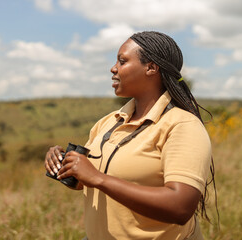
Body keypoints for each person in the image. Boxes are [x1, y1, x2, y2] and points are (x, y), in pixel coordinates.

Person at [45, 31, 215, 240]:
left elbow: (180, 207)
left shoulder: (182, 126)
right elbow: (84, 181)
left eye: (122, 61)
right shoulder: (109, 122)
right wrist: (64, 164)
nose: (113, 68)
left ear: (151, 68)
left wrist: (99, 179)